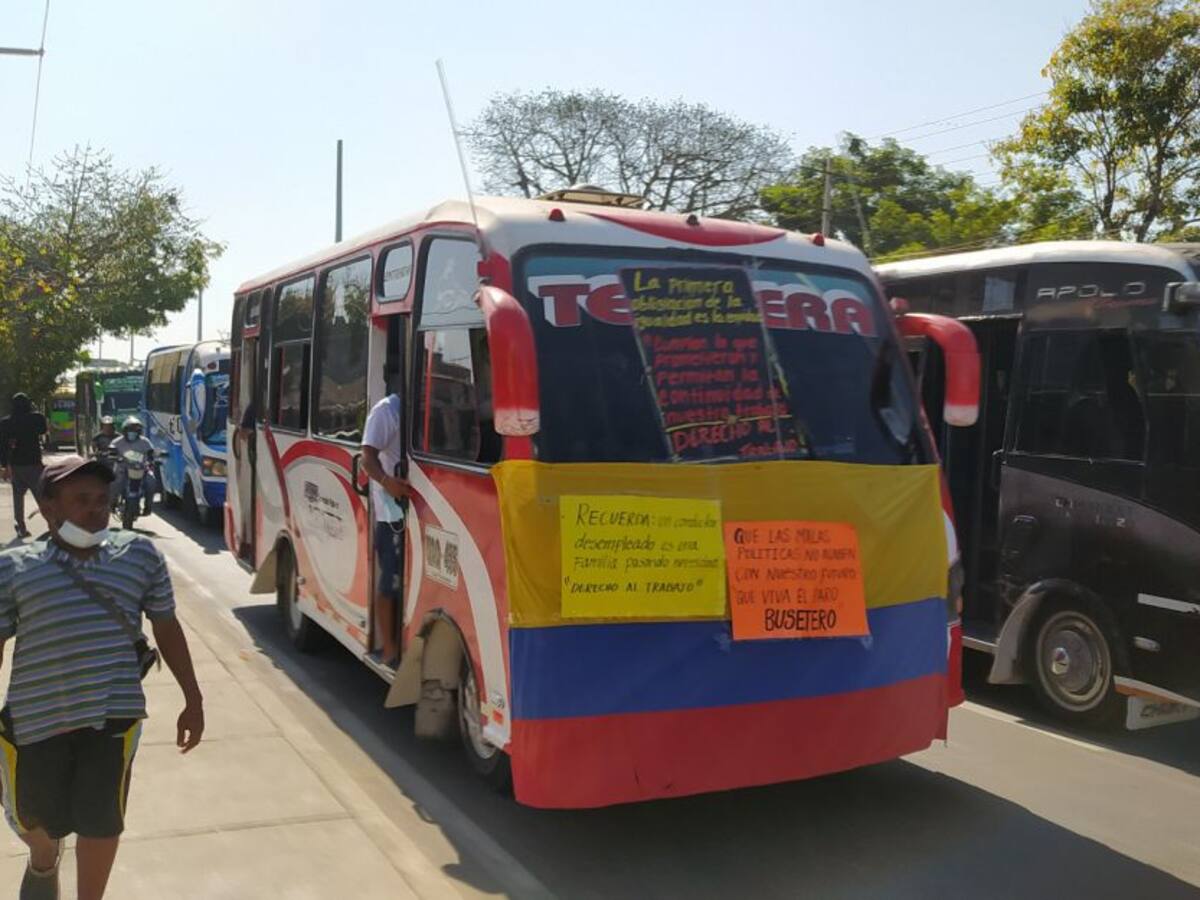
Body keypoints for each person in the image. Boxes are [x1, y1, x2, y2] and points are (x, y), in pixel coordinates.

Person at [0, 456, 203, 899]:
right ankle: (44, 858)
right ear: (49, 508)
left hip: (113, 717)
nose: (96, 510)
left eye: (101, 500)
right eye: (81, 500)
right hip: (36, 723)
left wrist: (193, 698)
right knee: (35, 823)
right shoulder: (14, 568)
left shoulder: (140, 556)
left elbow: (166, 625)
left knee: (101, 822)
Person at [361, 373, 410, 666]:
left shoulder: (429, 408)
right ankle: (389, 648)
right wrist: (386, 481)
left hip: (418, 512)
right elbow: (367, 458)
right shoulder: (387, 410)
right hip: (391, 515)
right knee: (390, 581)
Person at [0, 394, 48, 539]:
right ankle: (52, 523)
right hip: (34, 463)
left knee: (18, 496)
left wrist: (4, 465)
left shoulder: (5, 422)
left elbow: (2, 445)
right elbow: (43, 430)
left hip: (16, 465)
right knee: (42, 496)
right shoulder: (36, 418)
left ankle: (20, 526)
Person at [109, 417, 157, 516]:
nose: (132, 432)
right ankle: (112, 504)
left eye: (135, 430)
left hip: (141, 468)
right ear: (124, 430)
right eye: (130, 430)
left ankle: (148, 507)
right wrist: (114, 456)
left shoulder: (145, 442)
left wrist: (151, 461)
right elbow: (111, 452)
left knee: (151, 481)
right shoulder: (117, 442)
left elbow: (151, 454)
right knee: (115, 483)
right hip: (122, 468)